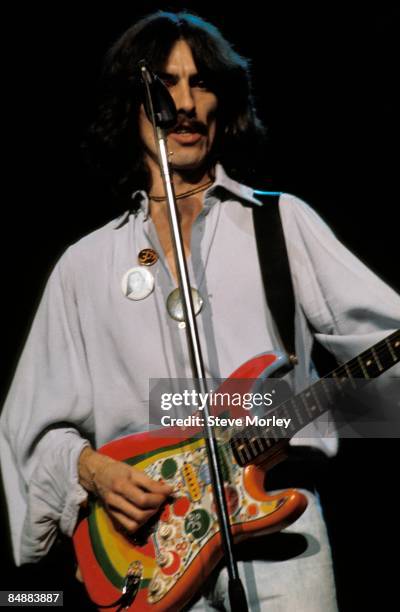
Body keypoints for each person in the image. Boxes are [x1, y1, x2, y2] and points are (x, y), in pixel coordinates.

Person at [1, 10, 399, 612]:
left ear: (224, 102)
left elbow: (386, 348)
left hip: (278, 526)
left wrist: (316, 410)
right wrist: (96, 474)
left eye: (201, 82)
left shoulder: (280, 222)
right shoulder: (84, 264)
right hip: (146, 548)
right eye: (163, 84)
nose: (183, 103)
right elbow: (33, 428)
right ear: (130, 105)